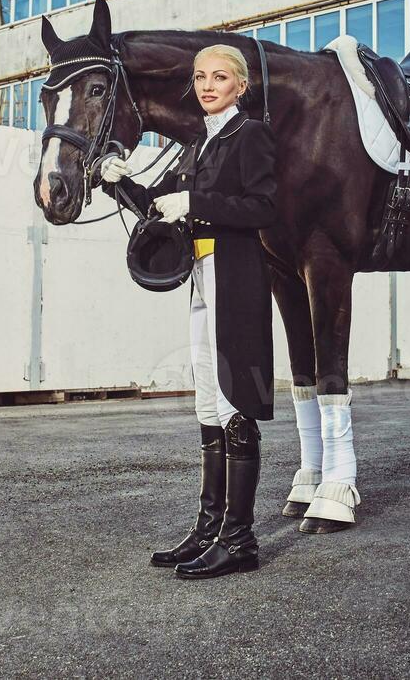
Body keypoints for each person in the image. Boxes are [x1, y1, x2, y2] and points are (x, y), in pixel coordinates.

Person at [99, 43, 278, 579]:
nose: (207, 85)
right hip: (201, 277)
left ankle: (240, 540)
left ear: (240, 86)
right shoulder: (196, 144)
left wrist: (197, 203)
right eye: (200, 76)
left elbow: (265, 206)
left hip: (236, 276)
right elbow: (159, 206)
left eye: (219, 77)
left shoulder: (252, 136)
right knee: (207, 398)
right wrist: (119, 180)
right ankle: (208, 528)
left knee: (234, 400)